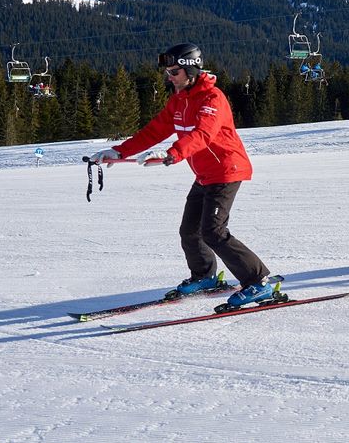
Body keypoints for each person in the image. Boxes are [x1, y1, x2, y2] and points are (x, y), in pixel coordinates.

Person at [89, 43, 280, 308]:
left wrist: (173, 154)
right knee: (189, 231)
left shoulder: (212, 99)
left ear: (191, 69)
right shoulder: (179, 100)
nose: (169, 77)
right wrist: (119, 151)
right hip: (203, 174)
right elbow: (154, 131)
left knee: (213, 232)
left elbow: (202, 134)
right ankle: (204, 276)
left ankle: (258, 282)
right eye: (168, 71)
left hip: (226, 170)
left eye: (174, 71)